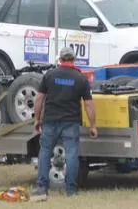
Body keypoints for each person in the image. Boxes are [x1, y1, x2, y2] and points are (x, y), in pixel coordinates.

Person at [32, 47, 97, 198]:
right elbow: (89, 104)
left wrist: (37, 119)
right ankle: (71, 191)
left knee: (45, 152)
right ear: (74, 60)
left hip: (50, 121)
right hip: (71, 123)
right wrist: (93, 125)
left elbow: (39, 98)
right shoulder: (80, 78)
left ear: (60, 60)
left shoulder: (49, 75)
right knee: (72, 155)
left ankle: (42, 188)